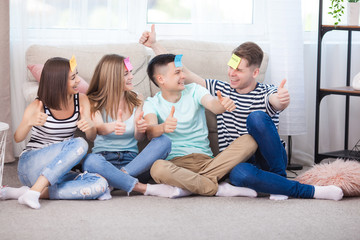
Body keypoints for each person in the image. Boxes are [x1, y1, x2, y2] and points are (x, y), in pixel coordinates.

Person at [139, 25, 344, 201]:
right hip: (238, 162)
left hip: (268, 158)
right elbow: (179, 69)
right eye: (230, 67)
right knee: (238, 174)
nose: (231, 73)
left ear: (254, 72)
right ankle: (220, 188)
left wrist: (280, 101)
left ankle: (283, 181)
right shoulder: (220, 88)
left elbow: (275, 101)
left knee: (255, 119)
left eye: (238, 70)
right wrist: (155, 45)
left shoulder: (267, 91)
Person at [140, 53, 258, 198]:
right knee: (157, 168)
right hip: (175, 165)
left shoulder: (195, 90)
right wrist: (163, 127)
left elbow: (213, 105)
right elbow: (150, 132)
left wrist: (221, 104)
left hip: (207, 162)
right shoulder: (151, 103)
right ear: (161, 79)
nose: (183, 76)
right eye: (177, 72)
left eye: (182, 71)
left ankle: (190, 186)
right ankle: (217, 188)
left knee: (250, 140)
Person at [0, 57, 109, 209]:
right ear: (58, 82)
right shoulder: (38, 104)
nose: (78, 80)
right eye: (73, 78)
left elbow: (92, 137)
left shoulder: (82, 100)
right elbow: (18, 138)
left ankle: (28, 192)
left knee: (100, 184)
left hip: (57, 170)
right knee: (79, 143)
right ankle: (35, 190)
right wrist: (29, 122)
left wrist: (90, 126)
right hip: (31, 166)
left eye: (76, 75)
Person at [82, 54, 180, 198]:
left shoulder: (137, 99)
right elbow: (98, 129)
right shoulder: (93, 101)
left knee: (164, 141)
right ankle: (141, 187)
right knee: (90, 161)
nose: (131, 77)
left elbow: (139, 138)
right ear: (112, 77)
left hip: (133, 163)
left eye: (131, 72)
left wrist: (140, 129)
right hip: (103, 161)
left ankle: (116, 180)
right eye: (126, 74)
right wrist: (113, 126)